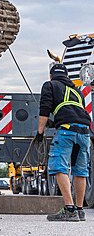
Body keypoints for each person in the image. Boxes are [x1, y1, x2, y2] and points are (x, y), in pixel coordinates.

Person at [39, 63, 91, 221]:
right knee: (80, 171)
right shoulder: (77, 91)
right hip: (84, 131)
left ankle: (69, 209)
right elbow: (74, 110)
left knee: (58, 167)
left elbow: (45, 107)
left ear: (51, 76)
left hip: (66, 131)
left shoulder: (49, 85)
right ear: (67, 76)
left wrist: (40, 131)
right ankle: (80, 210)